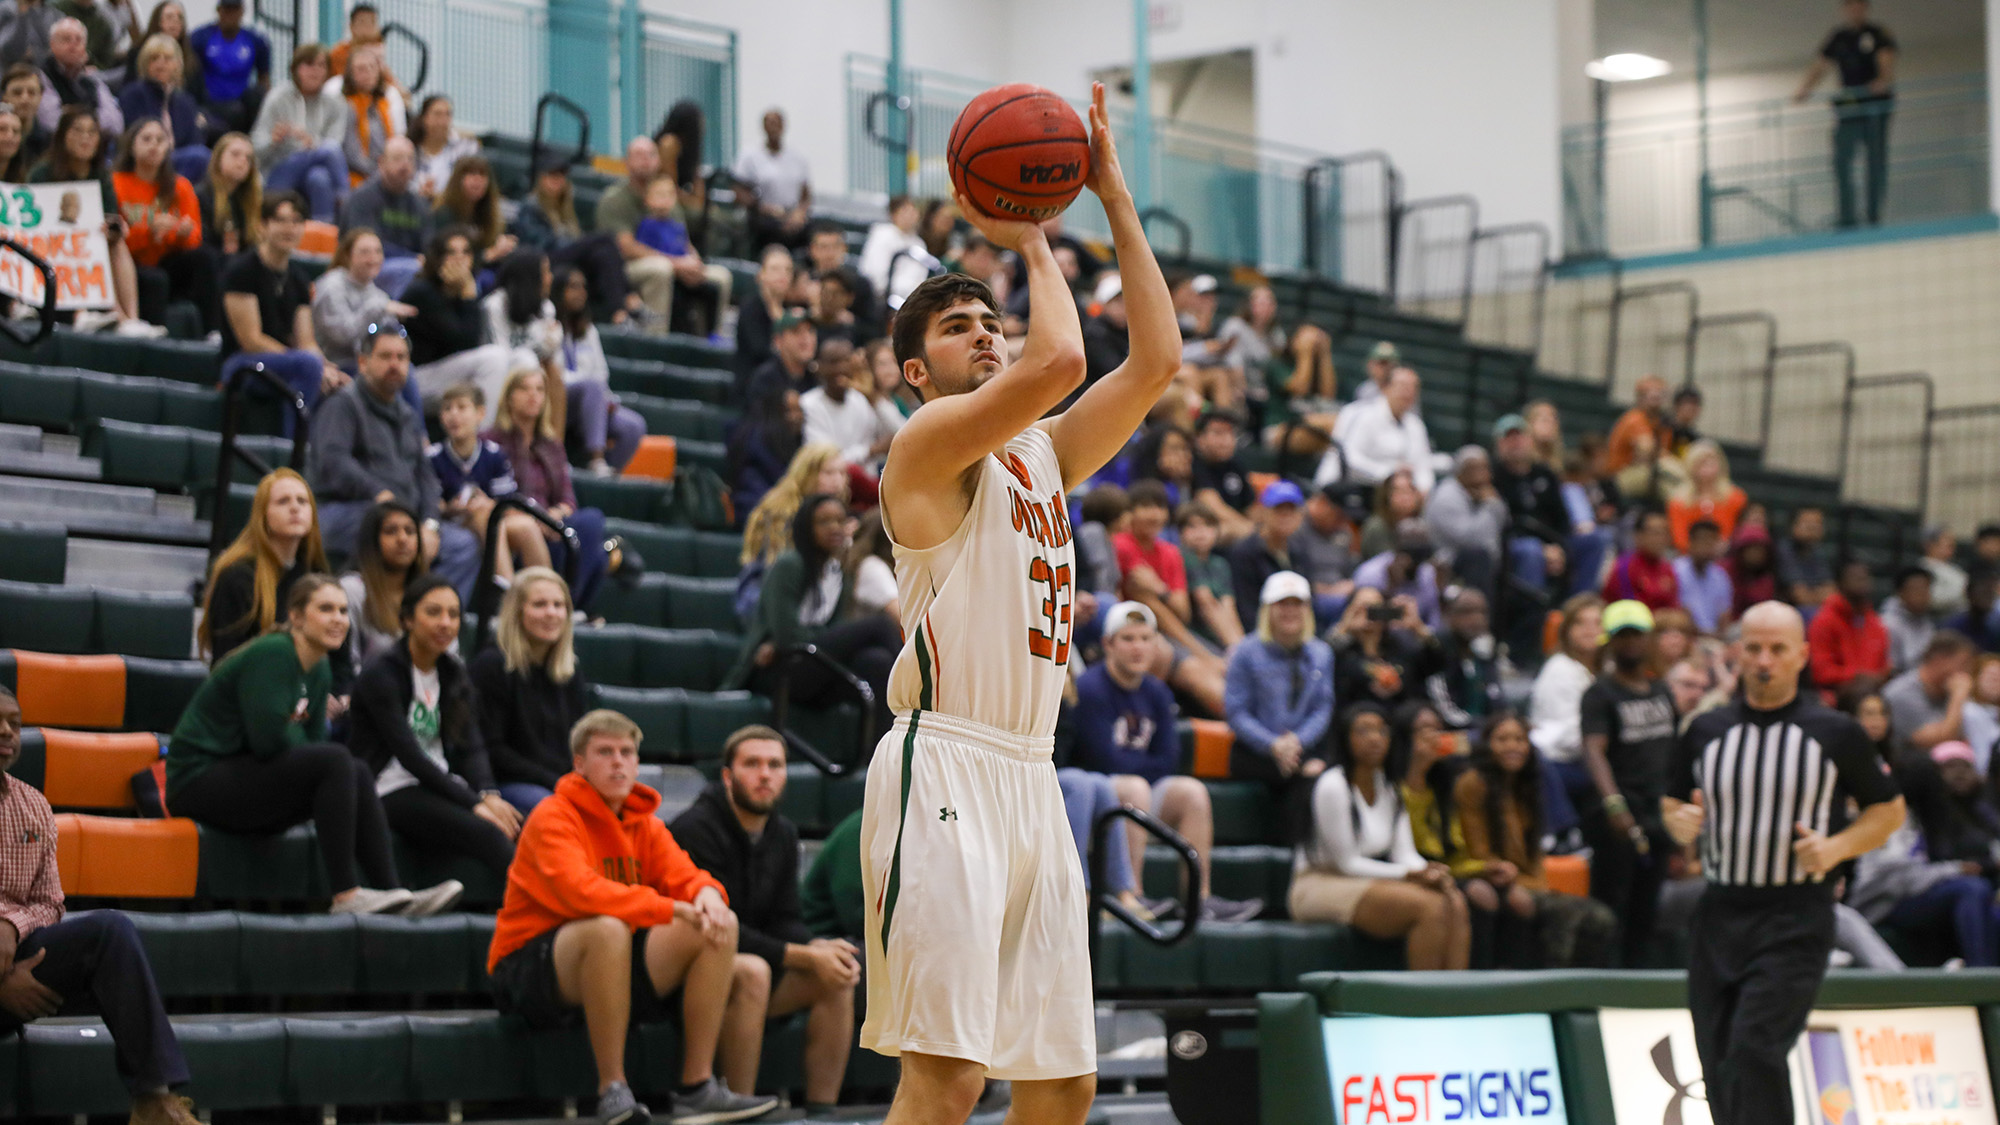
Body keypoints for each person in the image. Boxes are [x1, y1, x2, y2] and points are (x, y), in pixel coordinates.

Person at [860, 83, 1170, 1123]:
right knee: (946, 1081)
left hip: (1031, 778)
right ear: (916, 372)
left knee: (1062, 1085)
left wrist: (1112, 195)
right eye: (959, 330)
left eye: (992, 323)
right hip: (942, 763)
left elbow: (1155, 361)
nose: (987, 338)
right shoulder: (921, 449)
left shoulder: (1040, 450)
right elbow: (1064, 358)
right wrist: (1035, 236)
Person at [1663, 601, 1905, 1124]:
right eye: (1753, 648)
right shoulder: (1704, 730)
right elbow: (1671, 802)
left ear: (1802, 655)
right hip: (1720, 913)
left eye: (1777, 649)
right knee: (1719, 1058)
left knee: (1756, 1048)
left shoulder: (1836, 732)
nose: (1764, 660)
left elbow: (1889, 811)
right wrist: (1677, 823)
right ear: (1737, 655)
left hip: (1796, 914)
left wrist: (1837, 848)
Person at [485, 709, 779, 1124]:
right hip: (528, 965)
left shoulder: (644, 823)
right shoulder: (554, 815)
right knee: (607, 928)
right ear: (580, 764)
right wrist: (669, 907)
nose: (619, 761)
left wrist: (709, 896)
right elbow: (579, 892)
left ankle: (698, 1087)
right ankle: (612, 1089)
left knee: (718, 924)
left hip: (612, 958)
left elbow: (687, 876)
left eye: (627, 752)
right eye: (605, 752)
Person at [168, 574, 463, 916]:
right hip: (197, 781)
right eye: (325, 609)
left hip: (244, 779)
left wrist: (291, 728)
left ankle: (394, 893)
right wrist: (293, 730)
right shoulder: (274, 653)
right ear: (295, 616)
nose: (338, 618)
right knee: (337, 760)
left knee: (357, 769)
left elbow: (308, 742)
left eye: (342, 610)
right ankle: (346, 895)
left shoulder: (319, 665)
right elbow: (270, 742)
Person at [0, 687, 203, 1125]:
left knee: (110, 931)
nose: (6, 731)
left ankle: (154, 1100)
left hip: (13, 955)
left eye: (15, 723)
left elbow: (50, 903)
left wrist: (11, 926)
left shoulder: (32, 804)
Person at [670, 727, 857, 1111]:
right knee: (753, 970)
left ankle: (824, 1112)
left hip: (756, 961)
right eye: (752, 764)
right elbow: (722, 929)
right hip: (692, 976)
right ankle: (740, 1108)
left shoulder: (783, 833)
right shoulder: (695, 828)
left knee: (835, 973)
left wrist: (815, 946)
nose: (765, 774)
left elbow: (785, 919)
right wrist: (804, 956)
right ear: (727, 776)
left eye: (775, 765)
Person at [1075, 601, 1258, 922]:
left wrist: (1136, 767)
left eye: (1146, 639)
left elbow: (1169, 760)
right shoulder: (1090, 687)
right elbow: (1101, 759)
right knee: (1135, 788)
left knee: (1191, 792)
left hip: (1138, 790)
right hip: (1098, 797)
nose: (1138, 647)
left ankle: (1198, 900)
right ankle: (1132, 894)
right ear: (1108, 645)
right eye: (1128, 639)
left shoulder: (1158, 691)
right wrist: (1141, 769)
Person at [348, 574, 518, 879]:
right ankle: (538, 918)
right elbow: (410, 755)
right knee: (490, 833)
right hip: (387, 788)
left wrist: (488, 792)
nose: (445, 623)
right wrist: (474, 803)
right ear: (407, 620)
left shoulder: (453, 673)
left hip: (436, 784)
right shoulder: (381, 674)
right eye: (433, 612)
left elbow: (472, 744)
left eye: (453, 614)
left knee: (521, 826)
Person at [1293, 702, 1470, 970]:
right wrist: (1408, 875)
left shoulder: (1389, 787)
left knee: (1453, 898)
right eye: (1363, 731)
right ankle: (1427, 1004)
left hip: (1366, 879)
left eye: (1381, 731)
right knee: (1429, 907)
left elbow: (1405, 853)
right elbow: (1346, 863)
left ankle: (1456, 1000)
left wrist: (1430, 872)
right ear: (1345, 738)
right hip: (1318, 884)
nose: (1375, 738)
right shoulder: (1333, 785)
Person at [310, 320, 481, 594]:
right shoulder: (343, 404)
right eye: (386, 356)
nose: (395, 364)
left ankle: (426, 617)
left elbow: (426, 478)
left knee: (463, 546)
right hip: (346, 511)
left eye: (401, 357)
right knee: (385, 529)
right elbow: (334, 463)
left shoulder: (408, 416)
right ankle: (380, 615)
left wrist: (430, 524)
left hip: (402, 519)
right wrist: (380, 495)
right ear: (363, 363)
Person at [1452, 712, 1615, 969]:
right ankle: (1550, 991)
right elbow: (1478, 850)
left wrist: (1538, 885)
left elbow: (1534, 853)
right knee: (1563, 915)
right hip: (1488, 875)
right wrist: (1516, 880)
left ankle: (1580, 995)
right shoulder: (1472, 784)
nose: (1512, 747)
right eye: (1502, 739)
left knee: (1600, 919)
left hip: (1525, 879)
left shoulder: (1527, 785)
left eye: (1519, 739)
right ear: (1487, 744)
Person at [727, 493, 899, 734]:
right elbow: (788, 636)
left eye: (840, 521)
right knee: (880, 625)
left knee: (877, 662)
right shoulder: (789, 565)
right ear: (806, 527)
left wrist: (827, 637)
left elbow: (836, 629)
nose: (834, 528)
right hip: (776, 671)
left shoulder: (840, 573)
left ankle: (875, 759)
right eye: (824, 522)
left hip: (814, 665)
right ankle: (921, 689)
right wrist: (816, 638)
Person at [1579, 600, 1679, 968]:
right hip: (1617, 815)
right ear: (1610, 642)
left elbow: (1673, 754)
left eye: (1637, 634)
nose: (1631, 643)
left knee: (1647, 907)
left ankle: (1638, 984)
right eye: (1622, 636)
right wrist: (1614, 803)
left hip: (1658, 811)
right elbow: (1594, 750)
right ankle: (1603, 981)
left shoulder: (1662, 691)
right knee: (1611, 907)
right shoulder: (1600, 694)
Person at [485, 367, 616, 609]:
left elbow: (568, 499)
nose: (533, 395)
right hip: (516, 527)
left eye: (539, 389)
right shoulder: (491, 441)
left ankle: (566, 606)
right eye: (524, 389)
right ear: (509, 397)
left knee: (593, 529)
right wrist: (534, 520)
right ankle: (565, 607)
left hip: (551, 527)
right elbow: (490, 497)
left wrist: (554, 515)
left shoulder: (552, 444)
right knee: (592, 544)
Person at [469, 568, 590, 816]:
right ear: (517, 612)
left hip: (559, 783)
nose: (551, 613)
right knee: (557, 810)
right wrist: (558, 782)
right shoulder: (491, 666)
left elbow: (582, 741)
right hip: (509, 785)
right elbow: (492, 750)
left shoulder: (569, 670)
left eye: (559, 605)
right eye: (539, 604)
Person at [28, 103, 156, 335]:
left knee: (117, 243)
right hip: (51, 246)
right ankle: (86, 314)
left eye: (92, 132)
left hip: (92, 244)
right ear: (63, 136)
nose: (85, 138)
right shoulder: (41, 173)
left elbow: (110, 216)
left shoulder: (101, 175)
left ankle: (129, 319)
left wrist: (114, 228)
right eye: (78, 131)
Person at [220, 192, 347, 425]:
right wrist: (312, 365)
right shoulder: (242, 270)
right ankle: (293, 450)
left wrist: (326, 368)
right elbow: (251, 340)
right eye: (281, 220)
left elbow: (306, 341)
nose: (290, 229)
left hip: (285, 364)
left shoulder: (298, 279)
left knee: (351, 377)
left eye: (297, 222)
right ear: (262, 226)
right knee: (308, 367)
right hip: (242, 365)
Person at [1224, 570, 1334, 812]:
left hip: (1303, 745)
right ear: (1267, 609)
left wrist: (1296, 741)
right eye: (1282, 603)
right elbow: (1237, 713)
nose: (1290, 611)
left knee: (1318, 771)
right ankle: (1297, 848)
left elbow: (1322, 708)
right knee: (1301, 771)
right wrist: (1274, 744)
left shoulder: (1321, 653)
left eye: (1297, 604)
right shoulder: (1245, 652)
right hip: (1254, 750)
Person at [199, 468, 328, 664]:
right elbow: (226, 661)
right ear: (263, 516)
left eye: (302, 501)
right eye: (283, 501)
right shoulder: (237, 576)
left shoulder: (315, 573)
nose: (295, 508)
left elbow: (339, 658)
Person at [429, 381, 548, 588]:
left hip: (491, 519)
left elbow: (509, 504)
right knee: (483, 515)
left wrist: (487, 504)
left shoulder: (494, 454)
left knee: (527, 526)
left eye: (462, 407)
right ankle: (507, 593)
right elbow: (430, 504)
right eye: (447, 409)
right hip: (449, 524)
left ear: (480, 413)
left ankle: (546, 593)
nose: (454, 415)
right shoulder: (432, 457)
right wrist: (451, 507)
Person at [114, 116, 220, 334]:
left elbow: (194, 238)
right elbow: (115, 239)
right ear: (131, 145)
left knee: (205, 258)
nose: (154, 145)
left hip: (167, 258)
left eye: (160, 140)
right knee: (156, 279)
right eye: (146, 139)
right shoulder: (116, 182)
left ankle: (213, 332)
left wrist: (180, 234)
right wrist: (150, 232)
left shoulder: (180, 186)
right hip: (130, 262)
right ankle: (155, 339)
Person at [1795, 0, 1896, 228]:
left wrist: (1882, 81)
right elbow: (1821, 65)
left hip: (1874, 108)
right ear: (1844, 10)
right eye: (1850, 6)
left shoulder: (1877, 34)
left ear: (1865, 8)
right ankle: (1847, 217)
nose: (1854, 11)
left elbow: (1886, 61)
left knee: (1875, 162)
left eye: (1858, 6)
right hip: (1850, 109)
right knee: (1842, 160)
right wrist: (1805, 89)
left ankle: (1872, 215)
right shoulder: (1838, 37)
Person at [403, 226, 515, 409]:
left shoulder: (463, 291)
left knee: (520, 359)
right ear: (438, 258)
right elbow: (465, 343)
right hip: (418, 378)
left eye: (466, 252)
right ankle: (478, 435)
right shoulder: (423, 291)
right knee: (494, 359)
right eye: (451, 252)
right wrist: (469, 295)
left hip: (450, 372)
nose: (459, 259)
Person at [511, 154, 630, 324]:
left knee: (603, 254)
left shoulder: (565, 210)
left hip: (569, 259)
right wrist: (577, 246)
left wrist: (577, 247)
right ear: (541, 179)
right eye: (552, 176)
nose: (558, 181)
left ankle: (619, 314)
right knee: (605, 238)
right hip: (546, 260)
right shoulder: (530, 206)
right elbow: (542, 245)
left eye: (561, 177)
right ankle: (628, 300)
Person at [551, 265, 646, 474]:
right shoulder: (547, 323)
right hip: (557, 399)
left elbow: (601, 373)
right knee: (591, 387)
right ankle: (596, 459)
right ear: (558, 290)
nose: (580, 293)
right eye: (573, 287)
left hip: (591, 401)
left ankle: (605, 475)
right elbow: (554, 373)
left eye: (583, 287)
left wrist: (606, 399)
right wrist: (592, 389)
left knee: (634, 426)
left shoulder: (588, 330)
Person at [1529, 593, 1605, 830]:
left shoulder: (1606, 669)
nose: (1590, 630)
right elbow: (1565, 738)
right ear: (1566, 630)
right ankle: (1564, 834)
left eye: (1598, 622)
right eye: (1580, 622)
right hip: (1559, 763)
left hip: (1587, 758)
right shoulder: (1560, 670)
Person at [249, 42, 348, 223]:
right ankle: (347, 204)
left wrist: (311, 142)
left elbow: (336, 142)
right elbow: (255, 148)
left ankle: (322, 238)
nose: (316, 71)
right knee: (328, 151)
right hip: (279, 170)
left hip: (317, 168)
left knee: (320, 179)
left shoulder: (336, 102)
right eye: (309, 64)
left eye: (321, 65)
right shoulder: (278, 98)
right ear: (296, 68)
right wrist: (273, 140)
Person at [338, 499, 426, 670]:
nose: (402, 539)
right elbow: (346, 665)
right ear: (372, 541)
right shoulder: (352, 590)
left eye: (410, 531)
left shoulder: (430, 594)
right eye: (390, 531)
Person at [313, 227, 413, 371]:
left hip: (368, 362)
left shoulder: (378, 294)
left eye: (378, 252)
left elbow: (383, 338)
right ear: (348, 255)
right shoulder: (332, 286)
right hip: (336, 364)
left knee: (403, 368)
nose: (373, 258)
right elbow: (342, 336)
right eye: (365, 252)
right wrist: (378, 308)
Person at [116, 33, 208, 182]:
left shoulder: (185, 101)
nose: (161, 64)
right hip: (145, 158)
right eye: (154, 58)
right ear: (145, 63)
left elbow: (195, 140)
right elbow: (132, 138)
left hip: (178, 161)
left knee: (203, 158)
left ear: (177, 64)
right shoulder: (133, 94)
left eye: (167, 58)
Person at [1326, 366, 1434, 492]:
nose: (1408, 392)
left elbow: (1424, 467)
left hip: (1388, 497)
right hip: (1344, 489)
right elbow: (1348, 459)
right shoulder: (1361, 414)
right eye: (1403, 386)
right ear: (1386, 388)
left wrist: (1422, 490)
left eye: (1414, 387)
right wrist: (1389, 473)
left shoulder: (1415, 425)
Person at [1417, 587, 1506, 734]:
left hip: (1485, 733)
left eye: (1482, 612)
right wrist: (1487, 727)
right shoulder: (1437, 654)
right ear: (1449, 615)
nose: (1476, 619)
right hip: (1452, 733)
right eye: (1467, 612)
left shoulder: (1483, 656)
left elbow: (1497, 701)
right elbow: (1445, 712)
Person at [1329, 585, 1432, 710]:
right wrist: (1344, 626)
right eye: (1362, 608)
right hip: (1353, 716)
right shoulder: (1341, 650)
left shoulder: (1400, 646)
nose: (1368, 614)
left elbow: (1437, 661)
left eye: (1375, 609)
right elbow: (1324, 657)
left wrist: (1418, 628)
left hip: (1398, 716)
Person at [1422, 445, 1508, 596]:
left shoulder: (1481, 492)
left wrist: (1492, 503)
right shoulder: (1446, 497)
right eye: (1475, 469)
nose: (1483, 474)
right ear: (1460, 472)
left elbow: (1505, 520)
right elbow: (1471, 540)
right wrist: (1489, 505)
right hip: (1449, 561)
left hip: (1482, 559)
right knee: (1478, 556)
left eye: (1485, 468)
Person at [1227, 479, 1307, 634]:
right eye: (1278, 509)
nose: (1285, 516)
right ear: (1263, 512)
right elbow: (1245, 608)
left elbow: (1309, 600)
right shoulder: (1244, 552)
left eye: (1291, 510)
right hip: (1261, 635)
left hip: (1297, 633)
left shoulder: (1300, 549)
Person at [800, 337, 889, 470]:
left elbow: (898, 431)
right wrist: (870, 451)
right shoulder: (808, 404)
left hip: (869, 482)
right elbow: (825, 461)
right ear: (820, 367)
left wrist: (874, 398)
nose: (841, 368)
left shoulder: (859, 399)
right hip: (831, 483)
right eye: (833, 362)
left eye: (846, 361)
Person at [1881, 630, 1976, 755]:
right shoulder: (1901, 694)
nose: (1966, 673)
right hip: (1910, 768)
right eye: (1963, 664)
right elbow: (1942, 742)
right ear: (1939, 660)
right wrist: (1958, 697)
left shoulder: (1945, 690)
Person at [1808, 559, 1890, 696]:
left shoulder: (1875, 621)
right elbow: (1821, 672)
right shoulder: (1824, 621)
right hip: (1836, 695)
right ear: (1840, 583)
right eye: (1855, 577)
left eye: (1865, 577)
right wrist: (1856, 676)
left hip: (1872, 697)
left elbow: (1883, 666)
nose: (1862, 582)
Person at [733, 107, 810, 251]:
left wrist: (799, 213)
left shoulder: (798, 157)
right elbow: (739, 191)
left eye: (777, 123)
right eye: (769, 123)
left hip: (791, 214)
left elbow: (806, 194)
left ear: (783, 126)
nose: (773, 127)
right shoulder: (749, 155)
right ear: (763, 127)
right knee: (770, 228)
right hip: (763, 215)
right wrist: (762, 208)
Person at [187, 0, 267, 135]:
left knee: (257, 96)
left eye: (234, 10)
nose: (230, 15)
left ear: (242, 12)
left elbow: (264, 78)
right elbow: (191, 73)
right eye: (226, 10)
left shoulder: (255, 41)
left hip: (242, 104)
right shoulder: (201, 38)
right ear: (219, 11)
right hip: (210, 103)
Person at [37, 17, 119, 136]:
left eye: (79, 40)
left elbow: (115, 124)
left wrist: (71, 114)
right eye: (66, 39)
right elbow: (50, 122)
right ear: (52, 45)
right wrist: (92, 120)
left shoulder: (92, 81)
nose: (73, 45)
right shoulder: (41, 77)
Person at [1178, 502, 1243, 649]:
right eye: (1192, 526)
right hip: (1194, 636)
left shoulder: (1220, 564)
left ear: (1217, 531)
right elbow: (1205, 603)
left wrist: (1241, 644)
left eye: (1207, 525)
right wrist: (1235, 647)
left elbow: (1229, 606)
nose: (1200, 532)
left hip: (1221, 639)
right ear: (1180, 533)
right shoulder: (1184, 558)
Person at [1669, 441, 1748, 553]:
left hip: (1727, 555)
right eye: (1701, 462)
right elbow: (1679, 539)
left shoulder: (1736, 497)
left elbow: (1739, 531)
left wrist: (1724, 547)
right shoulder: (1679, 501)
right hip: (1690, 556)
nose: (1707, 466)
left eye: (1712, 460)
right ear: (1691, 466)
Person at [1187, 411, 1254, 541]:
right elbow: (1212, 505)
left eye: (1230, 433)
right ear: (1199, 438)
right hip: (1201, 527)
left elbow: (1251, 506)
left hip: (1239, 527)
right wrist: (1251, 530)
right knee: (1227, 530)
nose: (1226, 440)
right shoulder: (1195, 463)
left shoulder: (1236, 464)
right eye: (1218, 433)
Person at [194, 130, 259, 261]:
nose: (242, 161)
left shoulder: (249, 199)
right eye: (235, 154)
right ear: (218, 159)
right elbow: (201, 246)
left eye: (248, 158)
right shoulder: (202, 195)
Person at [1603, 507, 1681, 612]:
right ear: (1638, 536)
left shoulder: (1668, 568)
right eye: (1655, 533)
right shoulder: (1624, 567)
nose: (1660, 539)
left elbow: (1673, 606)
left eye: (1664, 533)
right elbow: (1629, 611)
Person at [406, 93, 477, 201]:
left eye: (448, 115)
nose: (443, 121)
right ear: (424, 118)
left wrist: (439, 196)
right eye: (437, 114)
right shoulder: (409, 149)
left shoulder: (465, 148)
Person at [1673, 518, 1735, 634]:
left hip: (1717, 637)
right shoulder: (1675, 571)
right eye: (1703, 540)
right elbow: (1681, 613)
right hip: (1687, 635)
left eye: (1712, 540)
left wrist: (1719, 638)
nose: (1708, 545)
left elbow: (1724, 615)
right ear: (1690, 542)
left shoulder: (1721, 576)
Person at [1605, 375, 1673, 474]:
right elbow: (1646, 448)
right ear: (1640, 397)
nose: (1657, 397)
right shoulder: (1634, 418)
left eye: (1660, 394)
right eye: (1652, 395)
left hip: (1645, 473)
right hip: (1621, 475)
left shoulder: (1662, 423)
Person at [1777, 506, 1837, 613]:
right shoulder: (1784, 551)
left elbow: (1831, 594)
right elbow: (1800, 597)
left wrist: (1812, 594)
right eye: (1807, 525)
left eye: (1817, 525)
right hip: (1785, 612)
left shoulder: (1818, 552)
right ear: (1793, 526)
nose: (1812, 529)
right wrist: (1817, 594)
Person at [1881, 565, 1936, 673]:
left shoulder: (1927, 623)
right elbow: (1891, 670)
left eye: (1926, 588)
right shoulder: (1887, 624)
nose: (1923, 594)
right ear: (1900, 593)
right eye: (1916, 589)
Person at [1945, 567, 2000, 653]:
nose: (1987, 598)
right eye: (1983, 593)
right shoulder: (1952, 627)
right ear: (1970, 594)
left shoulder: (1995, 626)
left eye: (1990, 593)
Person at [0, 0, 58, 72]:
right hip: (10, 73)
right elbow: (8, 51)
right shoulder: (6, 10)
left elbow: (53, 49)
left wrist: (36, 54)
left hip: (42, 74)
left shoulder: (52, 13)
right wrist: (22, 14)